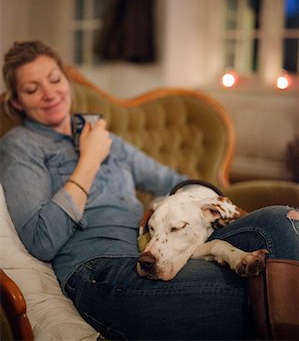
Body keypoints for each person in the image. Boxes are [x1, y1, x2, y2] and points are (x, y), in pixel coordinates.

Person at [0, 40, 298, 341]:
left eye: (54, 79)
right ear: (16, 103)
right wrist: (88, 161)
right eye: (32, 89)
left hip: (147, 252)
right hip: (98, 272)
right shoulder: (21, 146)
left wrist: (205, 205)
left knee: (279, 221)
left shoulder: (101, 136)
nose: (50, 93)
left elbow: (171, 180)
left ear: (66, 81)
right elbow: (41, 240)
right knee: (270, 293)